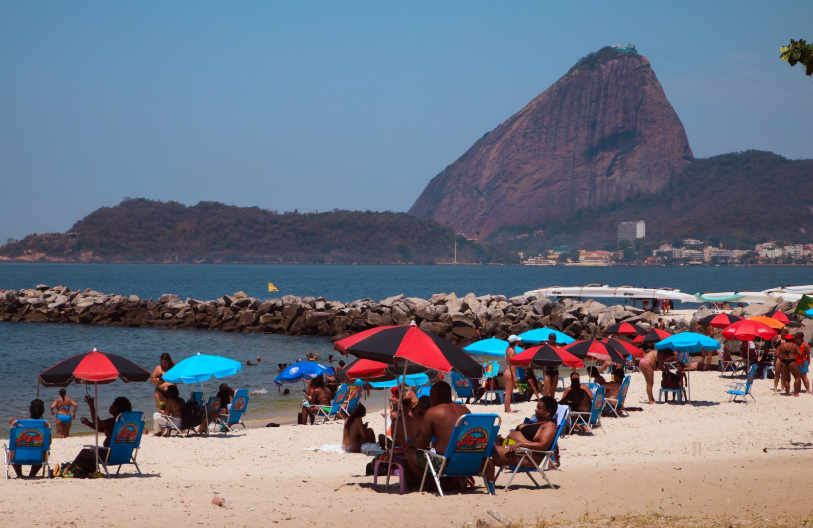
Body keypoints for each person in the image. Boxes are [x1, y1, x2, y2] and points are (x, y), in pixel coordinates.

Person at [484, 396, 559, 487]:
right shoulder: (537, 422)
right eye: (536, 407)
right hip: (517, 451)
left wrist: (520, 444)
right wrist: (504, 441)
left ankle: (490, 485)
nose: (536, 410)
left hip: (528, 456)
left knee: (487, 452)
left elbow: (543, 445)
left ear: (548, 411)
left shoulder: (550, 426)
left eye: (539, 408)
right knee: (481, 448)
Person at [405, 382, 470, 480]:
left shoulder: (433, 412)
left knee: (409, 452)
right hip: (467, 462)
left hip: (445, 464)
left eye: (431, 395)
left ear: (438, 394)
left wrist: (410, 442)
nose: (430, 398)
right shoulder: (465, 410)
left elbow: (421, 444)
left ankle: (429, 483)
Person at [73, 396, 132, 477]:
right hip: (124, 455)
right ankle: (81, 471)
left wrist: (91, 406)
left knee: (84, 452)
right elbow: (102, 429)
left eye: (113, 405)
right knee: (90, 454)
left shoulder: (113, 421)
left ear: (119, 409)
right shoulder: (124, 424)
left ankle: (70, 470)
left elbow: (98, 423)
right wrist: (89, 424)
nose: (110, 406)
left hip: (109, 456)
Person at [8, 399, 46, 478]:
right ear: (43, 411)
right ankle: (32, 474)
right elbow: (48, 442)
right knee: (43, 449)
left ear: (30, 410)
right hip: (38, 458)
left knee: (15, 447)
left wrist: (11, 419)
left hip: (17, 457)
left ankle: (19, 474)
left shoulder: (20, 421)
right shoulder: (45, 424)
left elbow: (11, 421)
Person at [503, 335, 520, 413]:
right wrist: (515, 376)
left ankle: (506, 409)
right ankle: (508, 410)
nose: (519, 342)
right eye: (517, 341)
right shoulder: (512, 351)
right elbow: (512, 365)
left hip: (506, 370)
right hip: (510, 371)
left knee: (507, 391)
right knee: (509, 392)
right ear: (515, 342)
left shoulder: (508, 349)